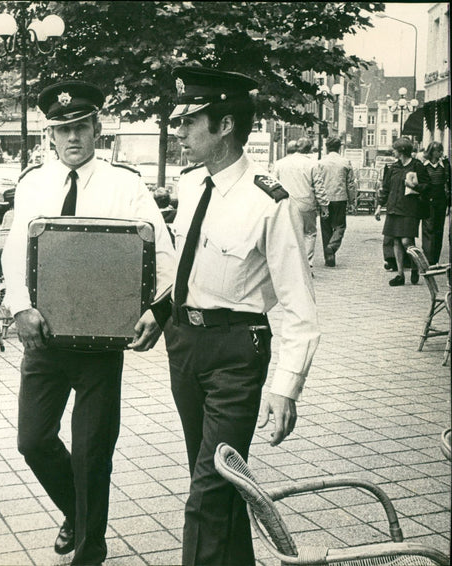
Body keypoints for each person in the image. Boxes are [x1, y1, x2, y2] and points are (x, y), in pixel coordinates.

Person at [1, 80, 176, 565]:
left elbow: (163, 252)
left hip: (102, 344)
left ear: (97, 129)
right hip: (45, 339)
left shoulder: (126, 185)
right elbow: (15, 252)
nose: (73, 137)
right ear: (50, 136)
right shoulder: (32, 183)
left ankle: (90, 548)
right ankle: (77, 515)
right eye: (63, 130)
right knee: (33, 440)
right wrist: (20, 307)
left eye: (81, 126)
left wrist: (157, 310)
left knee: (92, 451)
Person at [161, 66, 320, 566]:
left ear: (225, 125)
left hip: (235, 352)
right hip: (184, 344)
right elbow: (188, 268)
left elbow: (299, 305)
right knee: (219, 481)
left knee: (207, 491)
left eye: (189, 121)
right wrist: (159, 312)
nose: (178, 132)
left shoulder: (269, 202)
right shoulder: (192, 185)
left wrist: (285, 387)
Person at [375, 137, 431, 286]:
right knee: (396, 240)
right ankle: (400, 275)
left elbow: (427, 186)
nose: (393, 152)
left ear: (402, 151)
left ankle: (415, 266)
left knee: (406, 241)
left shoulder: (417, 166)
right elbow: (386, 188)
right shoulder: (394, 167)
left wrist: (414, 186)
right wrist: (380, 206)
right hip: (394, 208)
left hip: (410, 208)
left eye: (395, 150)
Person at [272, 137, 328, 269]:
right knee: (309, 233)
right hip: (306, 204)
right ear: (309, 149)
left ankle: (288, 264)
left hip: (286, 204)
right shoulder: (312, 164)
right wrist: (324, 206)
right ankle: (306, 264)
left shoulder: (280, 163)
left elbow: (273, 185)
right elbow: (319, 187)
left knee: (287, 233)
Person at [317, 136, 356, 267]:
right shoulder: (345, 162)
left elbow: (317, 182)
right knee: (340, 226)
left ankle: (329, 258)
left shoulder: (320, 163)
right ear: (340, 148)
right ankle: (332, 246)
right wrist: (352, 201)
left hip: (325, 199)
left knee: (325, 227)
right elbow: (350, 184)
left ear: (327, 147)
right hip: (340, 198)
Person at [420, 141, 451, 265]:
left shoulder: (444, 165)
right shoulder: (424, 165)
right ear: (432, 152)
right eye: (438, 151)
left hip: (440, 200)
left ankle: (435, 259)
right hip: (428, 200)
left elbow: (448, 183)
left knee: (438, 229)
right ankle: (428, 258)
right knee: (428, 228)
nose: (440, 153)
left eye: (441, 150)